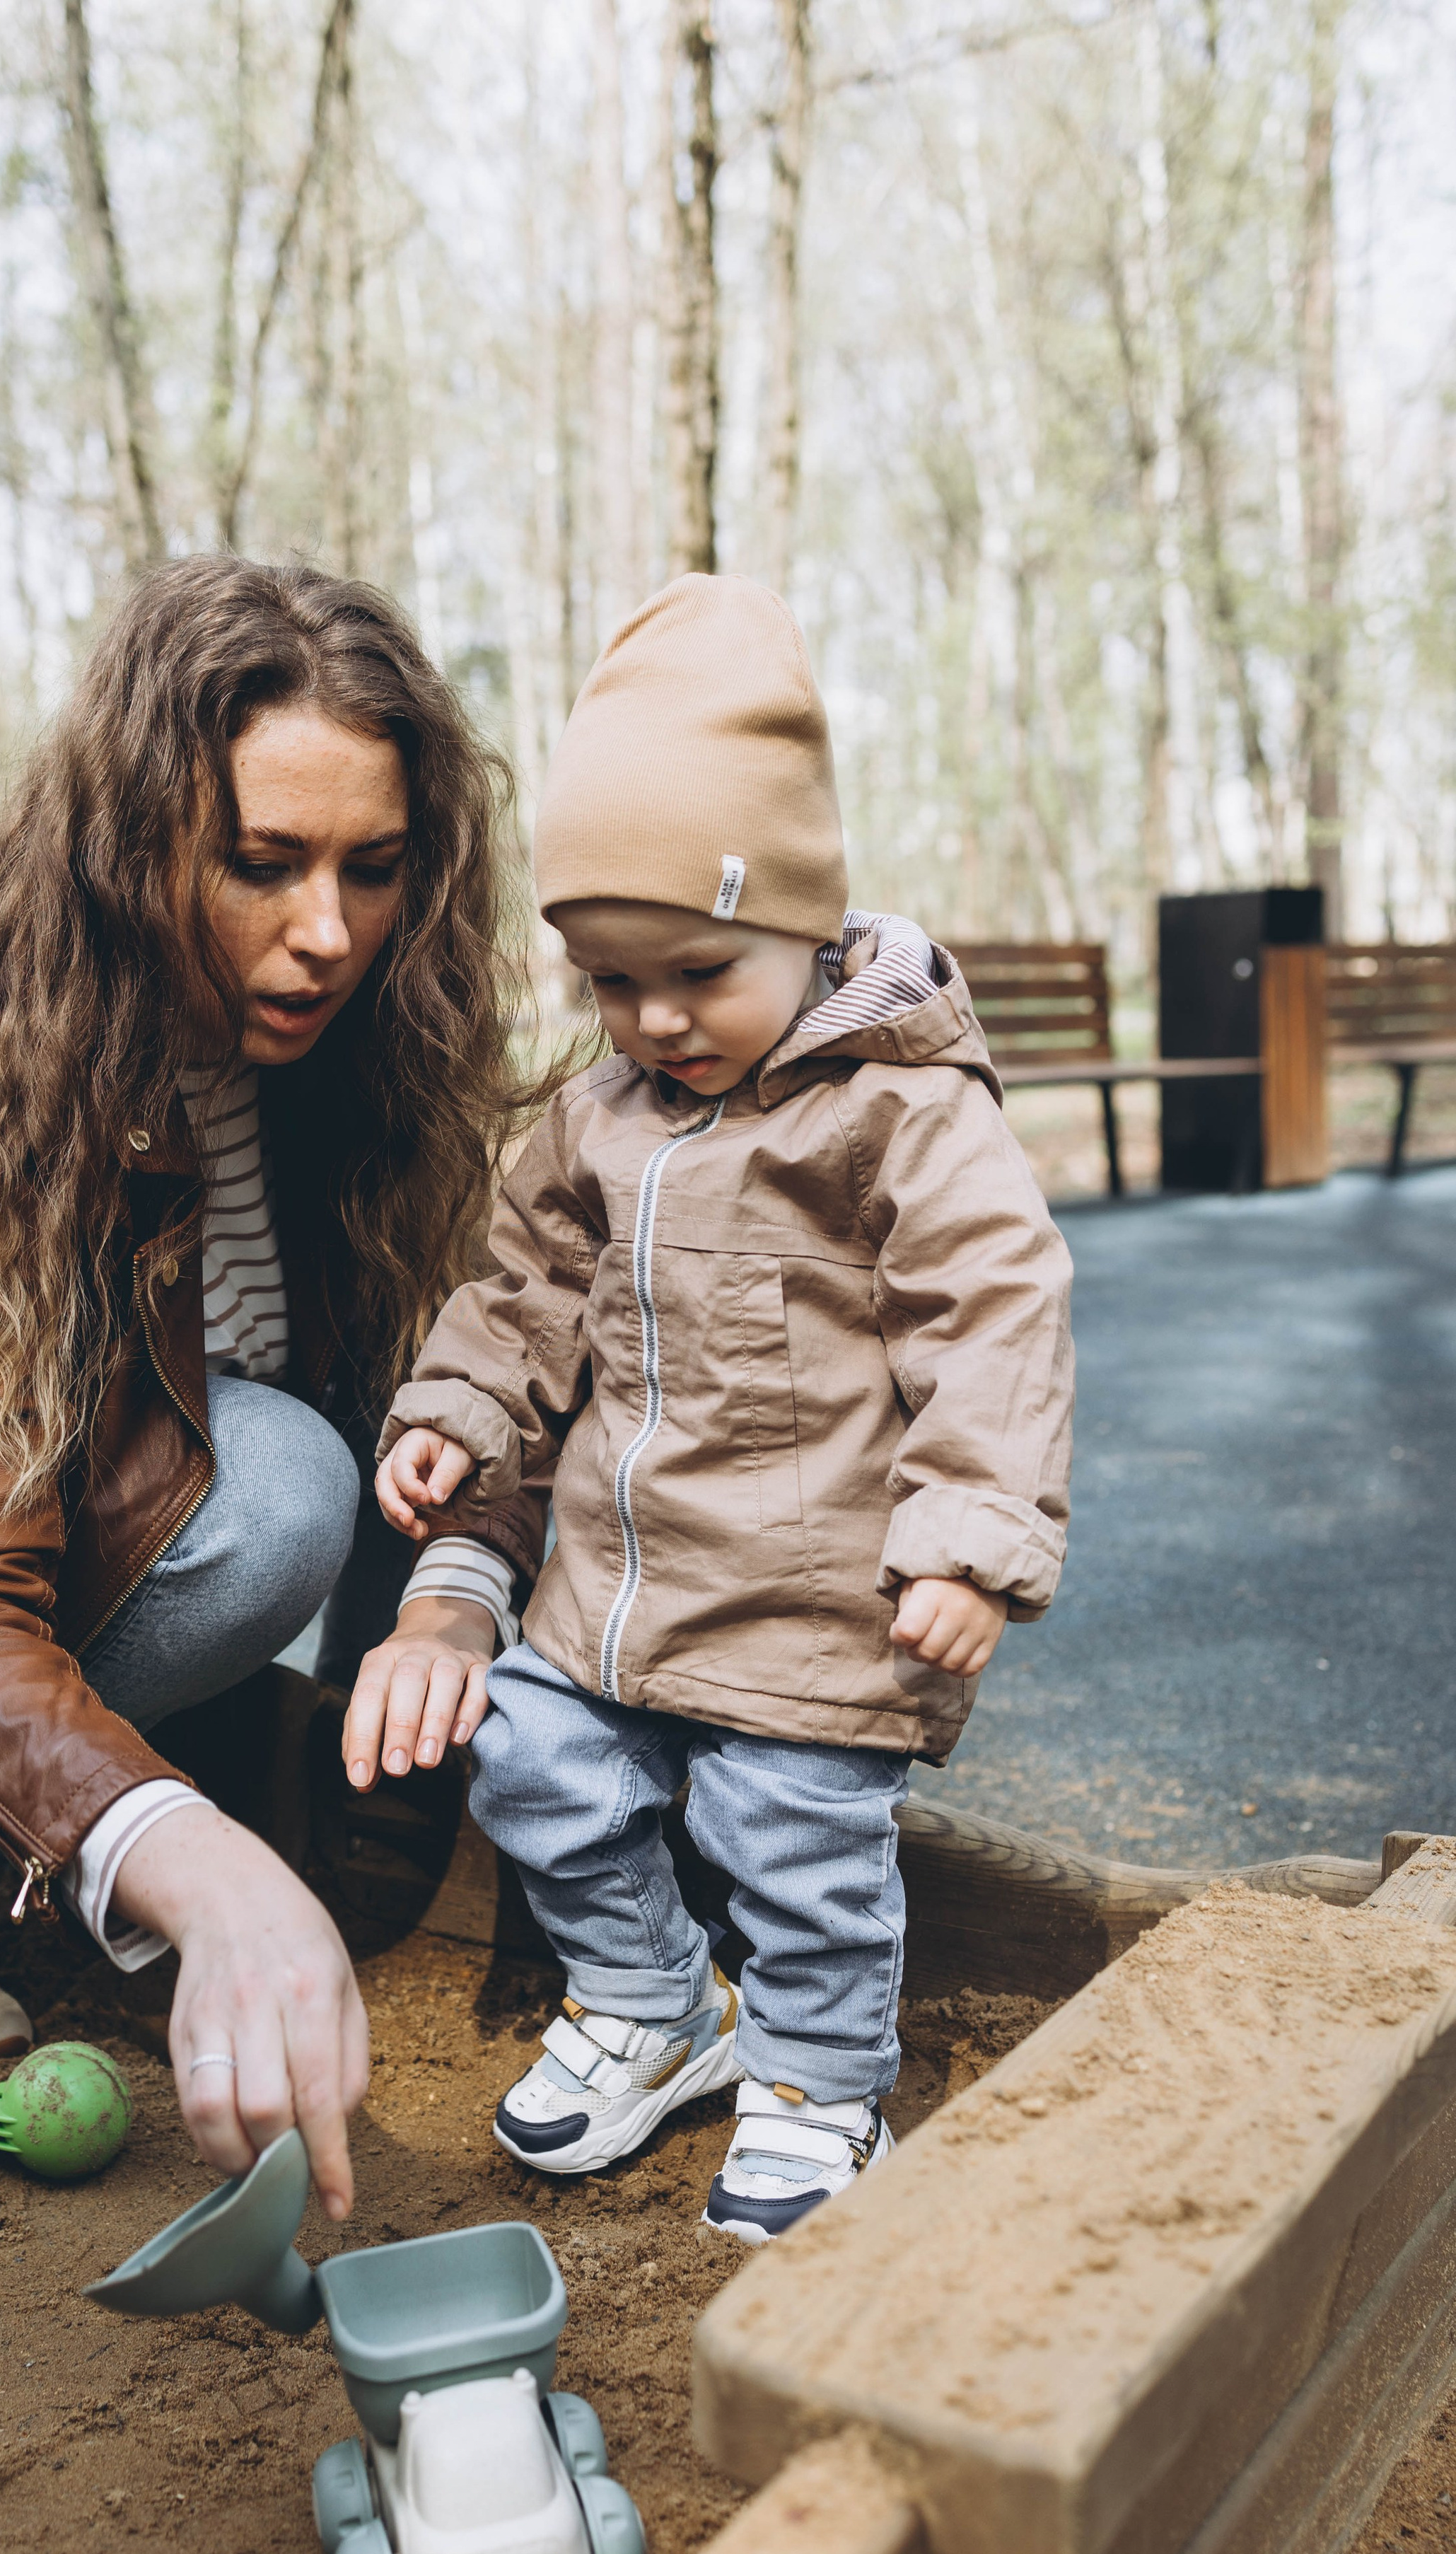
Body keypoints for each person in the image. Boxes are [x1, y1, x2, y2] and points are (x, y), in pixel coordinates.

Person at [0, 556, 543, 2219]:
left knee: (348, 1446)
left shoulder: (368, 1034)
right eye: (260, 865)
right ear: (140, 845)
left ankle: (69, 1815)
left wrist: (449, 1609)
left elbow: (476, 1352)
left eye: (374, 866)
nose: (329, 931)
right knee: (279, 1485)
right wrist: (190, 1858)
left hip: (101, 1474)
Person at [373, 574, 1074, 2245]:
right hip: (612, 1595)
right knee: (527, 1754)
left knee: (793, 1836)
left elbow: (992, 1314)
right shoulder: (603, 1118)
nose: (652, 1022)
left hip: (815, 1601)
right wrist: (464, 1403)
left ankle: (822, 2082)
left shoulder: (895, 1114)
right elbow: (523, 1284)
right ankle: (653, 1997)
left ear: (806, 924)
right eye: (609, 983)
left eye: (694, 971)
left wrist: (968, 1543)